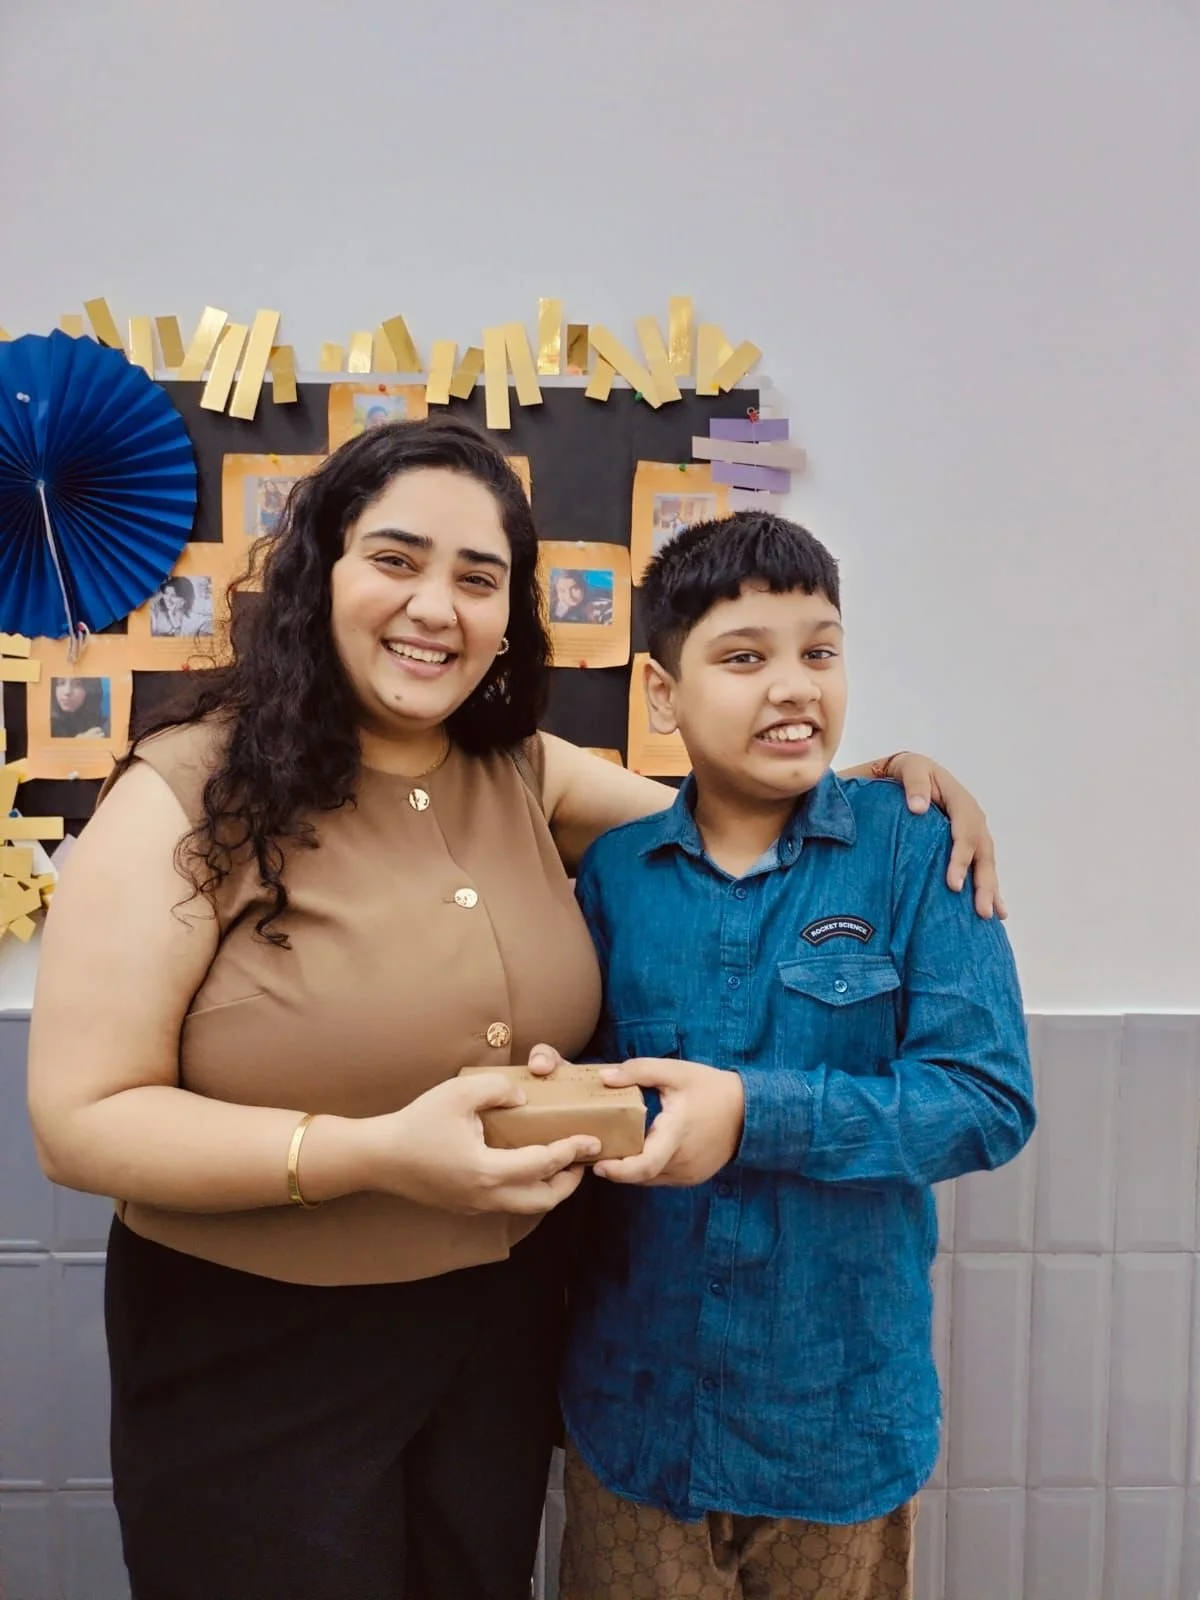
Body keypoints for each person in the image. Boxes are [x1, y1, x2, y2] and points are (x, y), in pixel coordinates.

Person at [27, 418, 1004, 1600]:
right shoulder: (186, 787)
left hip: (497, 1339)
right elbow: (79, 1120)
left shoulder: (520, 769)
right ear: (319, 571)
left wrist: (898, 788)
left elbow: (728, 817)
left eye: (477, 577)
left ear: (507, 613)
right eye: (396, 559)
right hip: (258, 1349)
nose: (436, 605)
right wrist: (372, 1155)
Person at [542, 512, 1036, 1600]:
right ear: (662, 693)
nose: (794, 686)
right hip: (637, 1426)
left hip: (837, 1428)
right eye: (744, 657)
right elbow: (590, 1101)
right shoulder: (615, 875)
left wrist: (752, 1115)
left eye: (819, 650)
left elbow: (988, 1099)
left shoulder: (916, 847)